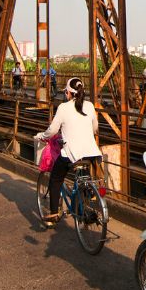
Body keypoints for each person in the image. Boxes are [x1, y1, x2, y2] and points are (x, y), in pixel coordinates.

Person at [34, 77, 102, 225]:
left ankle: (53, 215)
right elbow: (95, 128)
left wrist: (42, 136)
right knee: (83, 179)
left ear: (68, 93)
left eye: (66, 92)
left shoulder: (63, 108)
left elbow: (52, 131)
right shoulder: (90, 106)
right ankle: (82, 207)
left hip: (71, 154)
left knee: (56, 179)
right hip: (91, 153)